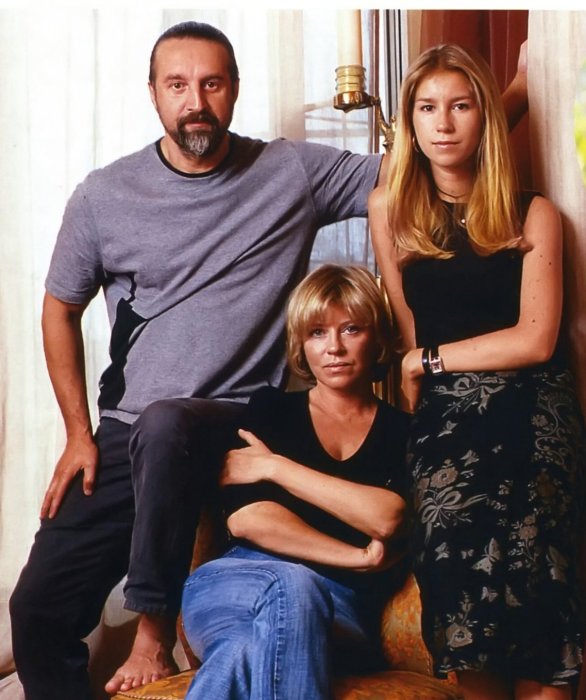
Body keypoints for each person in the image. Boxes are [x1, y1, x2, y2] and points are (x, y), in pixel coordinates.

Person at [8, 18, 527, 698]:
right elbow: (59, 308)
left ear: (235, 89)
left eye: (212, 84)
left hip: (236, 417)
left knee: (169, 424)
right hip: (130, 432)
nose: (196, 101)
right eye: (178, 85)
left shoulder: (290, 172)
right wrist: (78, 432)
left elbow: (424, 153)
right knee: (35, 613)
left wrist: (514, 92)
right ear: (153, 93)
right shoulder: (104, 196)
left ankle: (152, 635)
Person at [368, 43, 584, 699]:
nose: (443, 123)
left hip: (533, 410)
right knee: (459, 583)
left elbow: (536, 339)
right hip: (448, 421)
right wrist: (423, 375)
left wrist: (429, 360)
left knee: (541, 585)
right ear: (409, 122)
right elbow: (410, 331)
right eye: (426, 108)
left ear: (485, 117)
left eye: (461, 106)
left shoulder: (534, 212)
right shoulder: (390, 211)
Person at [180, 263, 410, 699]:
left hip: (340, 608)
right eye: (317, 333)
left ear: (377, 337)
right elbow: (250, 520)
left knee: (241, 653)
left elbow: (389, 517)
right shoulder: (272, 410)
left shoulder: (404, 431)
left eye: (352, 329)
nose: (334, 347)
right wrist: (358, 556)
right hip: (234, 582)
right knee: (294, 583)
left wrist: (276, 468)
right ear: (301, 345)